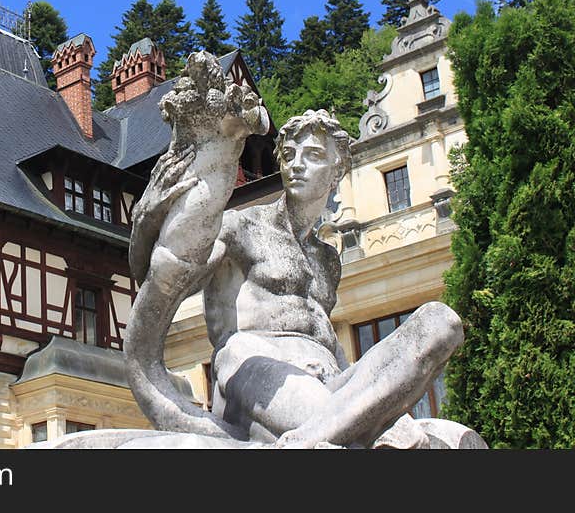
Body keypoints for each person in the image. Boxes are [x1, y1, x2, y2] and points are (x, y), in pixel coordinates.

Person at [126, 102, 464, 448]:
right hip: (253, 381)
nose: (297, 164)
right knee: (241, 347)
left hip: (325, 389)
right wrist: (153, 214)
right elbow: (160, 276)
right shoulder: (241, 227)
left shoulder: (327, 259)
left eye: (313, 155)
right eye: (288, 154)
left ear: (338, 170)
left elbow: (329, 343)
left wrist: (368, 382)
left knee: (440, 321)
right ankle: (362, 432)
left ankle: (315, 437)